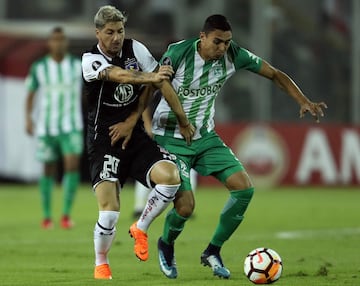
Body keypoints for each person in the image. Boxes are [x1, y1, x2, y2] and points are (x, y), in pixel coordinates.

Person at [151, 15, 327, 279]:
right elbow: (160, 83)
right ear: (202, 37)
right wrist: (181, 121)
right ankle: (166, 243)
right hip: (171, 138)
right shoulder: (178, 52)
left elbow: (274, 74)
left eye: (227, 42)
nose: (222, 48)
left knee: (244, 188)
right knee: (186, 207)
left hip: (206, 137)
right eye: (217, 42)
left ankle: (213, 250)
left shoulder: (234, 55)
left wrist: (302, 100)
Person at [81, 6, 194, 280]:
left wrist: (181, 118)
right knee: (109, 214)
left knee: (171, 177)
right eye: (110, 32)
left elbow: (159, 84)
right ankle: (101, 263)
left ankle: (141, 227)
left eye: (120, 31)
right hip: (105, 141)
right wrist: (152, 77)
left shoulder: (136, 49)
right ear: (98, 33)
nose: (117, 37)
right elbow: (119, 76)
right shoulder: (90, 59)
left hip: (135, 137)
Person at [25, 27, 83, 230]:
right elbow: (30, 93)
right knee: (48, 168)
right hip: (47, 126)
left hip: (72, 125)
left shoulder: (77, 66)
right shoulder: (39, 67)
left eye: (61, 40)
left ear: (65, 42)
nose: (58, 43)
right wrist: (28, 119)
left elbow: (88, 92)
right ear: (49, 43)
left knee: (72, 165)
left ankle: (66, 214)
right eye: (54, 40)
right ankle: (47, 215)